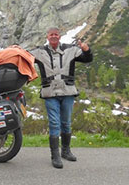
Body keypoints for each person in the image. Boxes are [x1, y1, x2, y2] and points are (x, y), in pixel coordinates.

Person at [30, 27, 93, 169]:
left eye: (56, 34)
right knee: (54, 123)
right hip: (50, 93)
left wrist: (86, 49)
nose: (53, 36)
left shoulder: (71, 49)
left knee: (66, 123)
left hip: (68, 92)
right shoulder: (39, 52)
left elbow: (87, 59)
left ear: (59, 36)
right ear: (47, 36)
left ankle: (66, 151)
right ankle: (55, 155)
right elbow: (24, 57)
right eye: (51, 34)